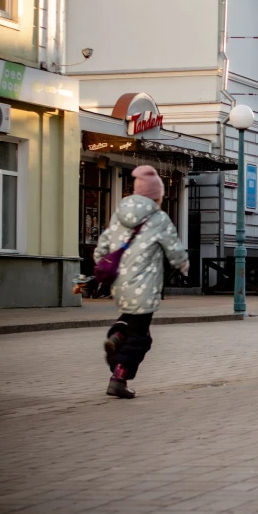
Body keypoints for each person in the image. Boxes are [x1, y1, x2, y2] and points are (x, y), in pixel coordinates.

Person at [94, 165, 190, 399]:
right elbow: (173, 247)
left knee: (130, 321)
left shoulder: (118, 214)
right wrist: (183, 265)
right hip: (145, 286)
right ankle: (119, 375)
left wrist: (100, 262)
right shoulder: (159, 218)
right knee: (141, 337)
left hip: (119, 283)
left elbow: (103, 245)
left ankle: (117, 335)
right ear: (156, 196)